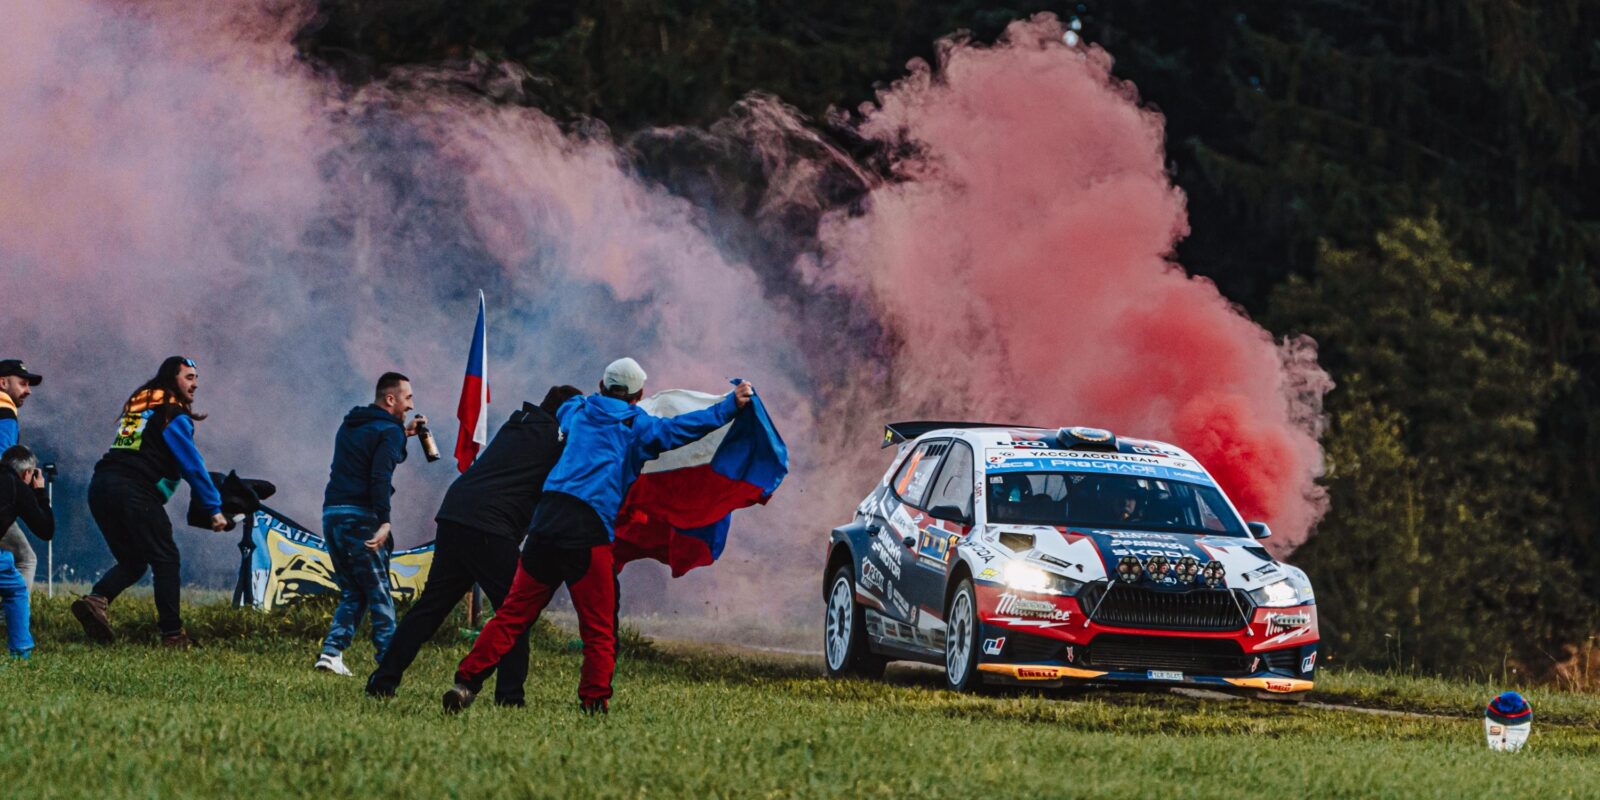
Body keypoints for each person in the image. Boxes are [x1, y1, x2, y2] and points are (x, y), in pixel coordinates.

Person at [443, 357, 754, 714]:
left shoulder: (576, 410)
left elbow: (569, 406)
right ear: (638, 395)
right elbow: (681, 429)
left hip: (546, 520)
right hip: (587, 528)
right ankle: (593, 701)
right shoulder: (638, 426)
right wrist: (730, 407)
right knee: (598, 627)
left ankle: (465, 684)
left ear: (602, 386)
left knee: (513, 614)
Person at [365, 384, 582, 703]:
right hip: (489, 527)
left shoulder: (519, 424)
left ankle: (382, 682)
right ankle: (510, 698)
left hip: (455, 515)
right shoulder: (555, 440)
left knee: (430, 609)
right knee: (515, 613)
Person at [71, 357, 226, 648]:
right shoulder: (173, 414)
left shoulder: (140, 407)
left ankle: (96, 600)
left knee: (133, 560)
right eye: (189, 377)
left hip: (101, 486)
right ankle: (172, 635)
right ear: (172, 379)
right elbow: (192, 464)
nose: (195, 384)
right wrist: (213, 508)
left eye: (196, 378)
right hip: (133, 490)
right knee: (166, 557)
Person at [314, 372, 428, 676]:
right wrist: (385, 522)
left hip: (332, 513)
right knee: (379, 591)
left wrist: (403, 433)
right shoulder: (388, 432)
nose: (410, 405)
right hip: (362, 517)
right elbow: (379, 476)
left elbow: (371, 450)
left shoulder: (352, 424)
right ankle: (387, 663)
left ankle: (331, 653)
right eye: (408, 398)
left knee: (354, 590)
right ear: (390, 399)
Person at [0, 445, 53, 658]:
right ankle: (21, 650)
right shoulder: (17, 486)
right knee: (16, 590)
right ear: (27, 473)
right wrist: (39, 492)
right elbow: (46, 530)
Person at [0, 359, 42, 594]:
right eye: (23, 383)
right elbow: (4, 462)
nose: (28, 391)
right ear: (3, 382)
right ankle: (11, 618)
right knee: (26, 559)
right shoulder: (5, 412)